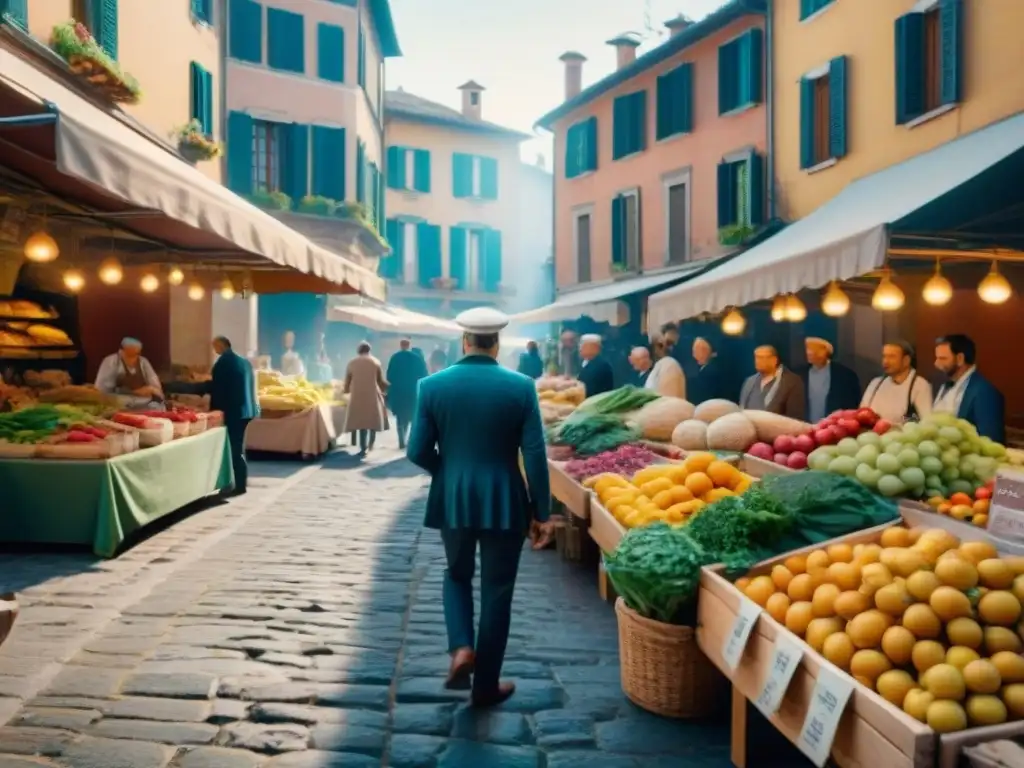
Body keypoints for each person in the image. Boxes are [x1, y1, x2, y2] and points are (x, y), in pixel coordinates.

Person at [406, 306, 554, 708]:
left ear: (464, 341)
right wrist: (543, 511)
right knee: (498, 591)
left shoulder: (431, 386)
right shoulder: (522, 387)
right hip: (506, 500)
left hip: (454, 496)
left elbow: (416, 450)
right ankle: (485, 685)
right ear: (497, 343)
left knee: (455, 575)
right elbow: (535, 455)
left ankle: (461, 649)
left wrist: (448, 471)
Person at [208, 336, 258, 495]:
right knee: (238, 447)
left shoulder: (223, 363)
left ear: (221, 345)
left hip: (234, 411)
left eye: (215, 346)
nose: (214, 349)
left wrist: (214, 412)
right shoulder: (244, 362)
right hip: (247, 410)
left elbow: (218, 390)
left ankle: (238, 486)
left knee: (234, 449)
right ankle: (239, 483)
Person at [933, 334, 1005, 443]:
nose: (936, 364)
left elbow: (990, 441)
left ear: (960, 359)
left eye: (943, 358)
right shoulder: (944, 385)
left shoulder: (985, 392)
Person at [861, 341, 932, 425]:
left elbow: (926, 421)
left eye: (891, 357)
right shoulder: (875, 383)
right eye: (884, 356)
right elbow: (861, 414)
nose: (885, 361)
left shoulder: (920, 385)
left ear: (906, 360)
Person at [342, 341, 389, 454]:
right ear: (369, 350)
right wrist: (386, 389)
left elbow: (347, 380)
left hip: (357, 394)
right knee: (373, 420)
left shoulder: (352, 363)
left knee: (361, 420)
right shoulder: (375, 362)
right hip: (372, 394)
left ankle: (363, 446)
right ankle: (371, 443)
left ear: (359, 351)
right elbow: (380, 380)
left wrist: (346, 390)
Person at [800, 337, 861, 423]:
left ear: (826, 351)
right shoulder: (799, 375)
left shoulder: (846, 376)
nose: (809, 352)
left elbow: (852, 408)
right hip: (805, 430)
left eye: (814, 348)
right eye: (808, 348)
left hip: (834, 430)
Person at [94, 337, 164, 408]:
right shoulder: (110, 362)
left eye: (136, 354)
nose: (133, 358)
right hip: (118, 404)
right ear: (121, 351)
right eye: (129, 355)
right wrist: (134, 392)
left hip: (144, 403)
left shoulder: (143, 362)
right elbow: (103, 390)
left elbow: (156, 387)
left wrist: (152, 390)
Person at [739, 345, 806, 419]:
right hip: (750, 428)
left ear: (774, 360)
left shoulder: (792, 382)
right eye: (756, 357)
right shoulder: (749, 381)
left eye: (761, 358)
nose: (757, 361)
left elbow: (795, 416)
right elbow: (742, 408)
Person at [386, 338, 429, 449]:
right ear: (409, 346)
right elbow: (424, 375)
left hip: (398, 392)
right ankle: (410, 440)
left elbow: (389, 375)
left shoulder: (395, 357)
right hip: (413, 391)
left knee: (400, 416)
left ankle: (401, 439)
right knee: (412, 416)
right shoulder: (417, 359)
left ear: (400, 346)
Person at [688, 337, 726, 404]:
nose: (694, 355)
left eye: (697, 351)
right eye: (694, 351)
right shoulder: (703, 369)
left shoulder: (712, 371)